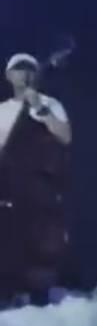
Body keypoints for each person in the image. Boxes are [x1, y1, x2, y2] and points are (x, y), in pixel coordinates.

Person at [0, 53, 72, 307]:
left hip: (41, 189)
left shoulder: (50, 104)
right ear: (8, 76)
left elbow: (65, 136)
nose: (25, 73)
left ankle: (37, 301)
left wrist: (38, 107)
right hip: (9, 189)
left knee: (40, 251)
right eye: (19, 68)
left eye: (30, 68)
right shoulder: (2, 110)